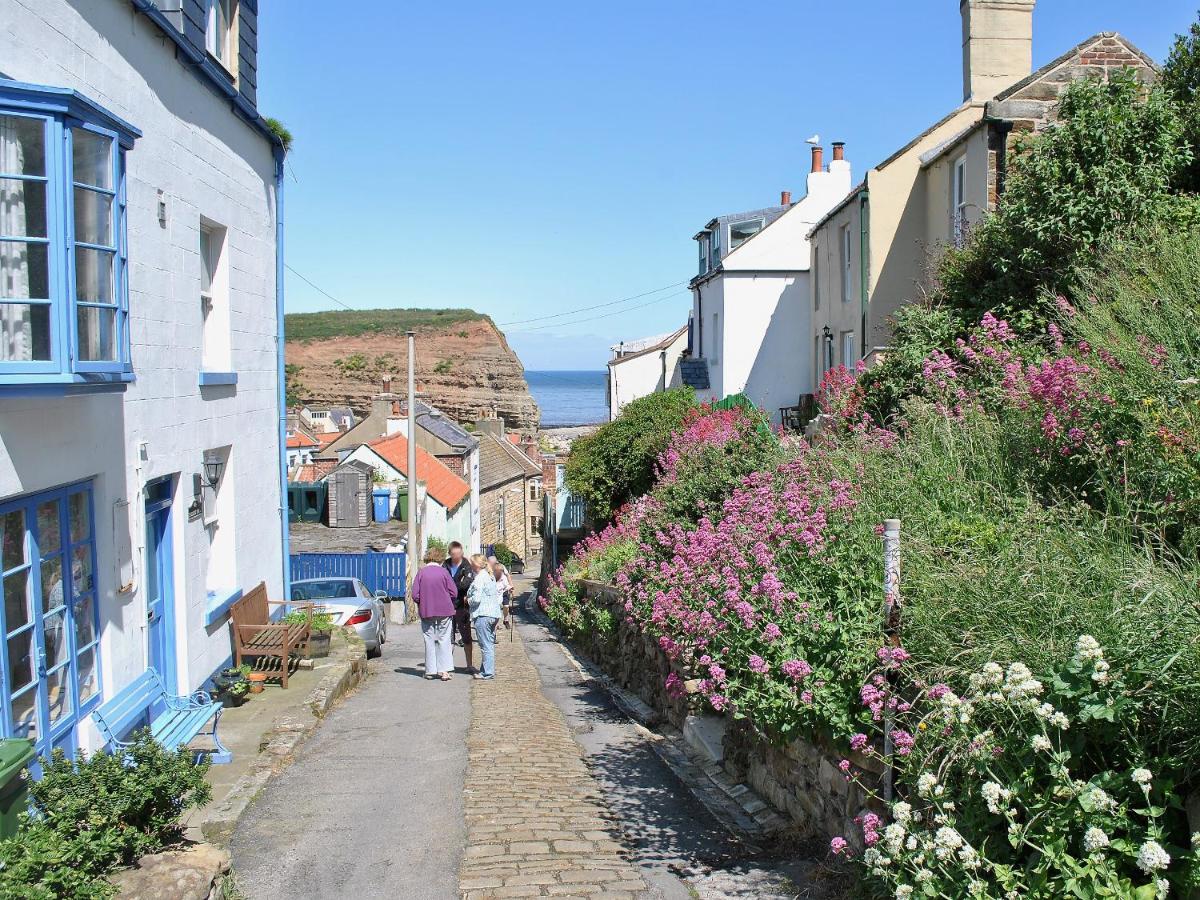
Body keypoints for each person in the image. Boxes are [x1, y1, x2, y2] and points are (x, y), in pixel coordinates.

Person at [411, 546, 458, 681]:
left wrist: (424, 600)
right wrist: (445, 598)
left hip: (427, 610)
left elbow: (415, 595)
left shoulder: (421, 573)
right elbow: (454, 592)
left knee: (429, 639)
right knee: (444, 640)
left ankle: (430, 670)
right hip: (445, 610)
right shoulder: (444, 572)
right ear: (440, 558)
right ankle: (444, 671)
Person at [466, 554, 501, 680]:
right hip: (493, 614)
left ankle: (487, 672)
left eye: (471, 563)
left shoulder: (480, 578)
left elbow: (476, 598)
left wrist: (467, 600)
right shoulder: (489, 576)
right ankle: (486, 669)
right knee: (489, 644)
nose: (470, 565)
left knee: (485, 645)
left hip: (483, 615)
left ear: (475, 564)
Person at [443, 541, 475, 673]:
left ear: (461, 552)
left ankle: (469, 664)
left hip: (462, 606)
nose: (456, 556)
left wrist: (451, 587)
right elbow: (442, 581)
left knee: (466, 636)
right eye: (454, 554)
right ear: (450, 553)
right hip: (447, 605)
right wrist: (456, 586)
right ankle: (447, 665)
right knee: (448, 637)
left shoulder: (466, 565)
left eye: (459, 553)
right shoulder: (445, 564)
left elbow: (467, 583)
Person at [489, 555, 514, 629]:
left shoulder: (501, 567)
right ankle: (496, 624)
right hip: (496, 592)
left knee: (506, 606)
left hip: (504, 589)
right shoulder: (488, 569)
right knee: (496, 608)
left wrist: (511, 586)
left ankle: (506, 620)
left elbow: (508, 576)